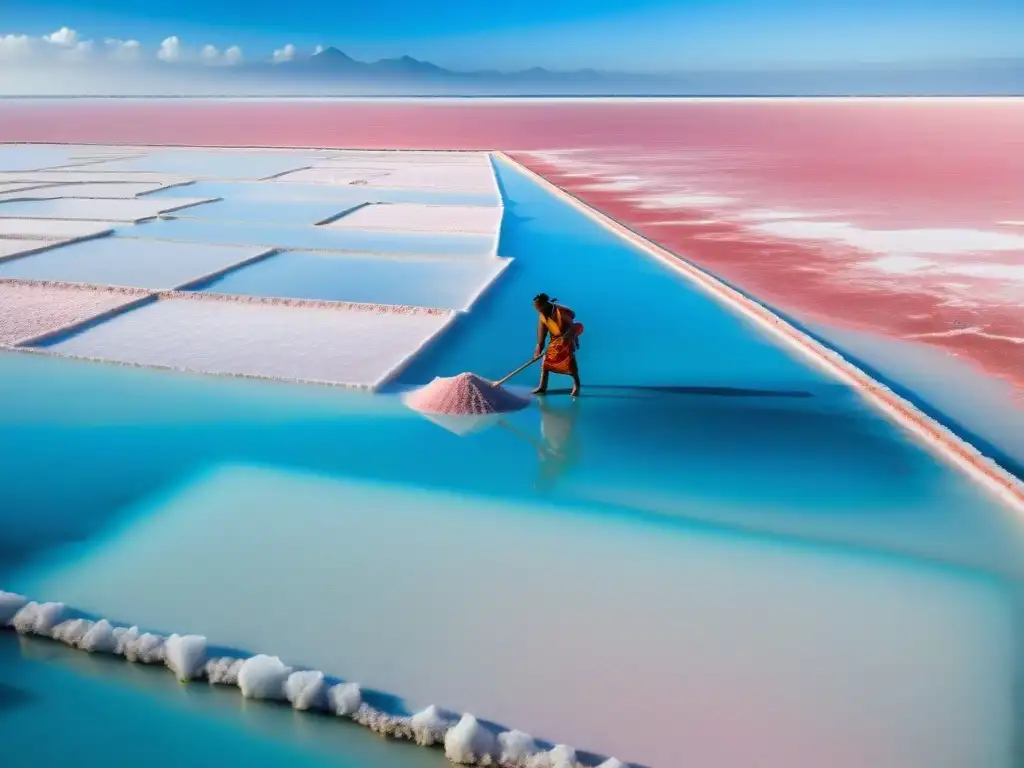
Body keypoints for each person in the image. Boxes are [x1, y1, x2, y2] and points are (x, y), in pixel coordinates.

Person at [532, 293, 582, 396]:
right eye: (535, 306)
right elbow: (542, 335)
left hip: (567, 337)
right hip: (555, 340)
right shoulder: (542, 316)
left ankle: (577, 384)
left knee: (569, 361)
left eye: (538, 306)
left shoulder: (560, 311)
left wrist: (569, 338)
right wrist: (538, 350)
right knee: (545, 361)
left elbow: (572, 326)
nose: (537, 308)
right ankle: (542, 386)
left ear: (545, 303)